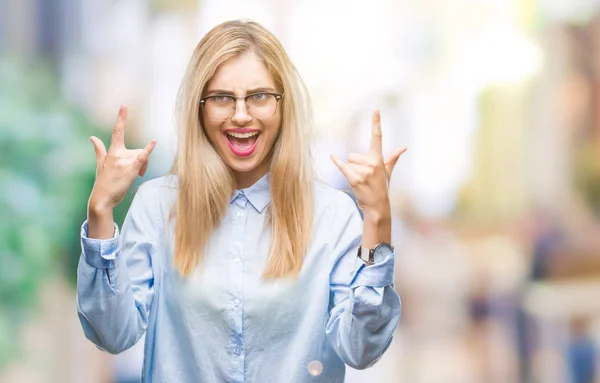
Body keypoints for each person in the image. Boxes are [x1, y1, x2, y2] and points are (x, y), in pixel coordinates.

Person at [77, 19, 406, 382]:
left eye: (259, 96)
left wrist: (378, 220)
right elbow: (112, 334)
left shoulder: (332, 215)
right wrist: (101, 214)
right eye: (221, 98)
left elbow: (361, 350)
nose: (241, 114)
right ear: (199, 107)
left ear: (283, 106)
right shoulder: (157, 206)